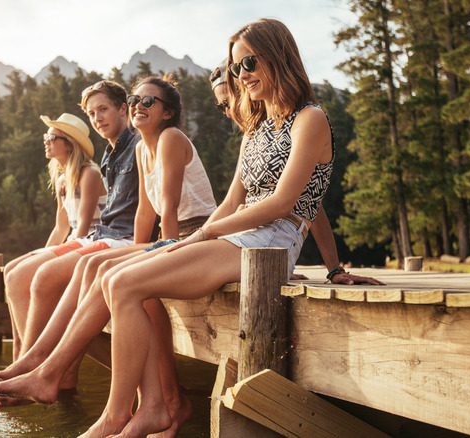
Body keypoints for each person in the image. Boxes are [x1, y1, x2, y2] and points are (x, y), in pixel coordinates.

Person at [73, 18, 351, 437]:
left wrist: (204, 234)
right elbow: (230, 202)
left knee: (126, 285)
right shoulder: (255, 129)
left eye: (251, 63)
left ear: (280, 56)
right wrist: (188, 240)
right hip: (239, 235)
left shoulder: (310, 120)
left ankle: (116, 417)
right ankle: (150, 407)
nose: (243, 75)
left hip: (274, 240)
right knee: (116, 279)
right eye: (237, 68)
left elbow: (282, 203)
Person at [0, 77, 215, 436]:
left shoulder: (169, 138)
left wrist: (148, 257)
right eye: (136, 99)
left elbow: (168, 213)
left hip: (188, 236)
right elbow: (143, 216)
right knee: (96, 266)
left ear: (167, 113)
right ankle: (44, 366)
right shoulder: (139, 149)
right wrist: (139, 254)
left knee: (99, 268)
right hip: (168, 238)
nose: (139, 105)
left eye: (147, 102)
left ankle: (49, 369)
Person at [210, 60, 383, 286]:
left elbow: (311, 204)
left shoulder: (293, 125)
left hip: (263, 243)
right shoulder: (256, 133)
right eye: (220, 106)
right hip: (246, 241)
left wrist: (333, 268)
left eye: (228, 101)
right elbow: (232, 202)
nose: (228, 112)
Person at [2, 113, 106, 361]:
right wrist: (42, 256)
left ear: (69, 143)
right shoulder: (62, 179)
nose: (45, 141)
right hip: (76, 240)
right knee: (11, 270)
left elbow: (82, 228)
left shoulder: (89, 173)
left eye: (51, 137)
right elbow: (61, 228)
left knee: (19, 275)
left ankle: (32, 358)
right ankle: (20, 352)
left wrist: (49, 263)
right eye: (45, 136)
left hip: (94, 241)